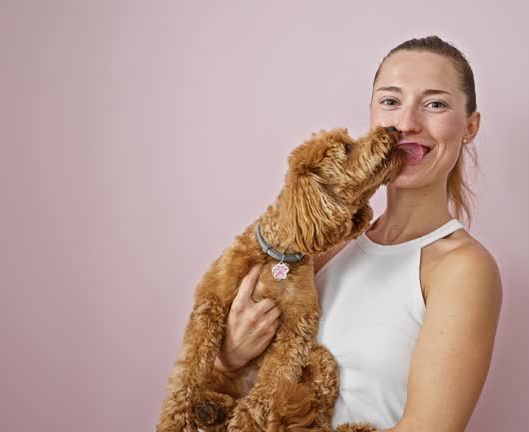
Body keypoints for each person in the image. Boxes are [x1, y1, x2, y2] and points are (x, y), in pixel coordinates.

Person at [213, 36, 503, 432]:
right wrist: (227, 358)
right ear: (371, 115)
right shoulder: (326, 246)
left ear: (470, 127)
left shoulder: (462, 269)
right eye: (391, 101)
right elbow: (250, 392)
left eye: (434, 103)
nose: (406, 123)